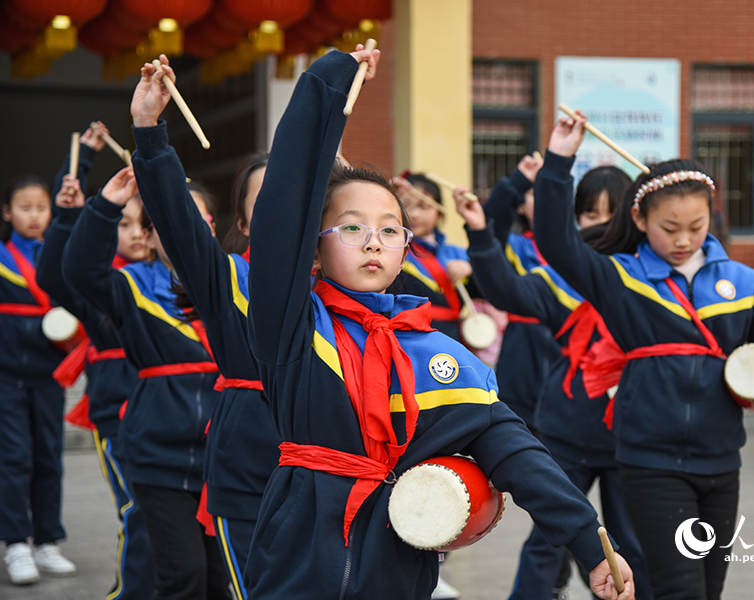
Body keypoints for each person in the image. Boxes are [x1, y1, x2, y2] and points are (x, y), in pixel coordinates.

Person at [243, 45, 635, 600]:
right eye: (351, 228)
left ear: (407, 247)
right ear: (312, 250)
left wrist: (591, 546)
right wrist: (328, 87)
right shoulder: (293, 326)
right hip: (297, 563)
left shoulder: (435, 356)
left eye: (389, 228)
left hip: (397, 568)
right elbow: (284, 200)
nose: (374, 240)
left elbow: (516, 453)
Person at [532, 110, 754, 600]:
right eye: (669, 227)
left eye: (696, 225)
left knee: (709, 590)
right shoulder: (621, 278)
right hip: (650, 463)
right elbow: (556, 242)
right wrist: (559, 159)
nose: (683, 239)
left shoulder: (741, 282)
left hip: (721, 461)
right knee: (679, 589)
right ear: (639, 219)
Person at [129, 57, 281, 600]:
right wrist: (150, 134)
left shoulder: (350, 296)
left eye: (298, 200)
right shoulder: (227, 281)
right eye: (268, 205)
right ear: (241, 224)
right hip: (246, 480)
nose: (286, 214)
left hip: (331, 483)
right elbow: (176, 217)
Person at [454, 183, 650, 600]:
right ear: (575, 220)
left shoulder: (649, 277)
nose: (601, 225)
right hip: (568, 429)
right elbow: (504, 290)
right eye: (590, 214)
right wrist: (479, 233)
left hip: (631, 435)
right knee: (548, 539)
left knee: (633, 543)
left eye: (611, 215)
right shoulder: (562, 277)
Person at [62, 166, 230, 600]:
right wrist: (105, 206)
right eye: (168, 221)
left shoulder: (237, 285)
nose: (185, 229)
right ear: (150, 235)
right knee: (184, 577)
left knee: (218, 581)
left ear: (214, 228)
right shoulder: (131, 285)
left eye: (197, 219)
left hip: (225, 462)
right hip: (159, 460)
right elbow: (78, 271)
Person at [35, 125, 157, 599]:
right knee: (137, 510)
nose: (134, 235)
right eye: (122, 224)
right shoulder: (103, 283)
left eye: (142, 224)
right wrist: (68, 214)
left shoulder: (180, 282)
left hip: (174, 420)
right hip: (119, 413)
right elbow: (54, 277)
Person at [0, 171, 77, 585]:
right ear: (7, 212)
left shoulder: (56, 256)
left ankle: (47, 541)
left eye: (41, 208)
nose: (34, 215)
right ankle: (16, 543)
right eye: (25, 208)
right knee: (14, 459)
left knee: (49, 457)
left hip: (50, 372)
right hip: (5, 375)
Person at [393, 173, 472, 341]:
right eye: (406, 205)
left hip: (452, 336)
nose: (413, 214)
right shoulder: (394, 250)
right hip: (409, 335)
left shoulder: (457, 253)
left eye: (423, 206)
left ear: (439, 214)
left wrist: (470, 269)